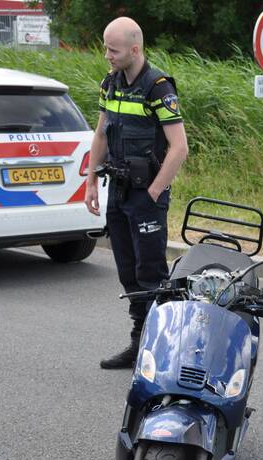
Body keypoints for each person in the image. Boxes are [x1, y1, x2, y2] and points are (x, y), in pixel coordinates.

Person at [85, 17, 189, 369]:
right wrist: (89, 183)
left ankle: (159, 350)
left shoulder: (158, 87)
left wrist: (155, 192)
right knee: (128, 272)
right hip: (117, 191)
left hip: (146, 196)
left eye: (113, 50)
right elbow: (100, 136)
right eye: (105, 48)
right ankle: (138, 343)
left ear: (134, 49)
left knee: (151, 273)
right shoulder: (109, 84)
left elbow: (179, 147)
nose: (107, 56)